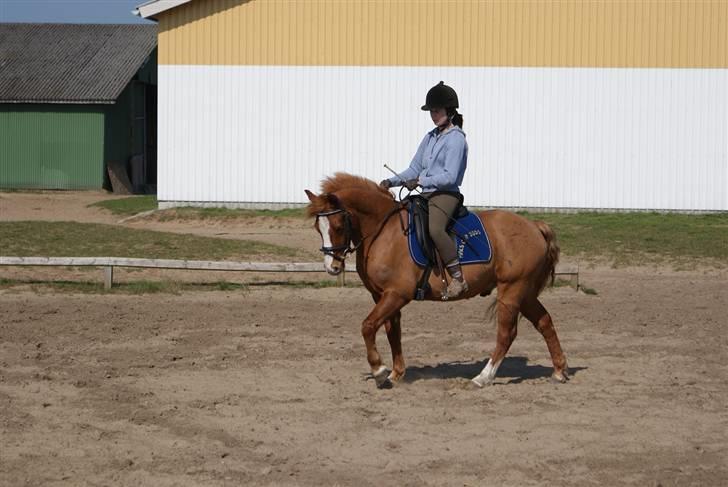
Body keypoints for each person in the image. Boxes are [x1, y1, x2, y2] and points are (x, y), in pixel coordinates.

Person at [380, 81, 469, 300]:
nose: (433, 115)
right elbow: (413, 168)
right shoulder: (430, 137)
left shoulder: (456, 139)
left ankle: (458, 278)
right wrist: (390, 182)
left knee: (435, 229)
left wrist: (421, 180)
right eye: (431, 111)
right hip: (427, 192)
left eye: (436, 111)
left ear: (448, 111)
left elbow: (451, 176)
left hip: (446, 194)